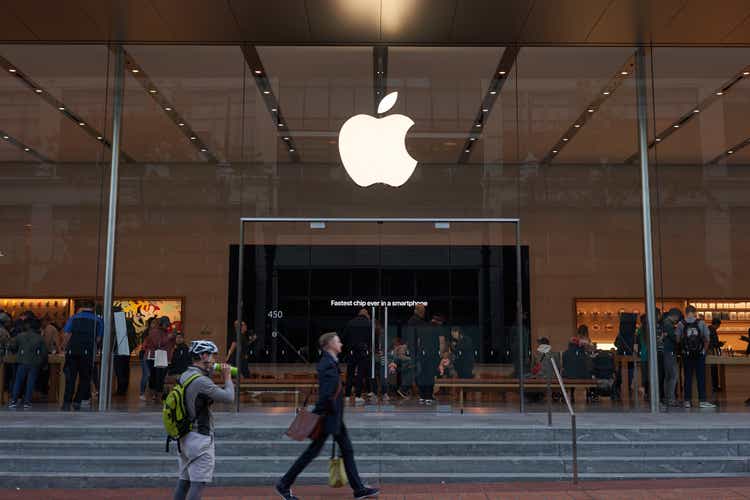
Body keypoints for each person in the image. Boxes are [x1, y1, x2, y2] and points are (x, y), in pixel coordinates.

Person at [275, 332, 379, 500]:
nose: (341, 344)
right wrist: (325, 418)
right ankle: (283, 484)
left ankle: (358, 489)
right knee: (313, 453)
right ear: (330, 344)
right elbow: (327, 395)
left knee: (345, 450)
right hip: (329, 418)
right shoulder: (328, 364)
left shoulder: (329, 362)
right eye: (338, 341)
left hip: (333, 418)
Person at [173, 340, 234, 500]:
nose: (215, 360)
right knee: (197, 485)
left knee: (184, 482)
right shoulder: (201, 381)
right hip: (200, 438)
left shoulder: (186, 375)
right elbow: (229, 397)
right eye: (213, 355)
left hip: (185, 436)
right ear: (203, 355)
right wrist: (227, 377)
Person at [60, 300, 103, 411]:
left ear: (82, 307)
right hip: (87, 352)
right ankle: (77, 401)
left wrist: (64, 347)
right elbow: (98, 338)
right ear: (93, 308)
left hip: (72, 351)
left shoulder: (74, 318)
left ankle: (66, 402)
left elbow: (67, 334)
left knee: (71, 377)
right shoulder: (98, 320)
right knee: (85, 378)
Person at [676, 305, 716, 408]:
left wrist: (684, 349)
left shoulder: (681, 324)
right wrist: (703, 351)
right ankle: (702, 401)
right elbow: (707, 338)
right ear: (695, 312)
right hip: (699, 354)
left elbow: (678, 339)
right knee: (701, 377)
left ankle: (687, 401)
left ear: (685, 312)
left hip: (687, 354)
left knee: (687, 377)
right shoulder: (701, 323)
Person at [7, 316, 47, 409]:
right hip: (34, 362)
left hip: (22, 361)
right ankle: (27, 402)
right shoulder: (39, 338)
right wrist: (43, 362)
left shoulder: (20, 336)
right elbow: (44, 353)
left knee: (18, 381)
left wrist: (16, 353)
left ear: (27, 326)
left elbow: (12, 346)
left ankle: (13, 400)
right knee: (30, 381)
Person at [342, 309, 371, 404]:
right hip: (363, 351)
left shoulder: (350, 322)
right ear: (366, 315)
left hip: (352, 351)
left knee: (350, 373)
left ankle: (347, 395)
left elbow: (344, 337)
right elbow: (372, 338)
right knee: (360, 374)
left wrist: (348, 348)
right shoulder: (369, 323)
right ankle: (358, 396)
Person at [144, 316, 176, 401]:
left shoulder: (166, 332)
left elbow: (171, 345)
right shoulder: (155, 331)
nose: (167, 326)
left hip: (164, 357)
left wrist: (172, 338)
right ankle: (155, 394)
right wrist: (168, 337)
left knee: (161, 377)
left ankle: (158, 395)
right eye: (166, 325)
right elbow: (157, 344)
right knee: (155, 377)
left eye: (168, 325)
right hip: (154, 357)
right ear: (162, 324)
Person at [112, 306, 137, 396]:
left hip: (120, 349)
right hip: (126, 349)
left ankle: (121, 389)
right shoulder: (127, 322)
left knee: (120, 370)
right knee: (124, 369)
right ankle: (123, 388)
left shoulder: (117, 322)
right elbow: (133, 336)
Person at [661, 308, 681, 407]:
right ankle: (671, 399)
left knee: (668, 376)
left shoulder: (665, 323)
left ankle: (667, 398)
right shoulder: (668, 324)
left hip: (667, 352)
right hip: (669, 352)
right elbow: (675, 338)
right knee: (673, 376)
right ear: (675, 316)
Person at [707, 318, 722, 393]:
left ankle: (715, 386)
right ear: (716, 324)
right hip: (711, 351)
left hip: (710, 350)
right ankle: (714, 386)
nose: (718, 327)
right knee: (713, 369)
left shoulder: (708, 329)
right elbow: (714, 342)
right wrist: (719, 344)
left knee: (713, 369)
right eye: (718, 326)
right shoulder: (712, 330)